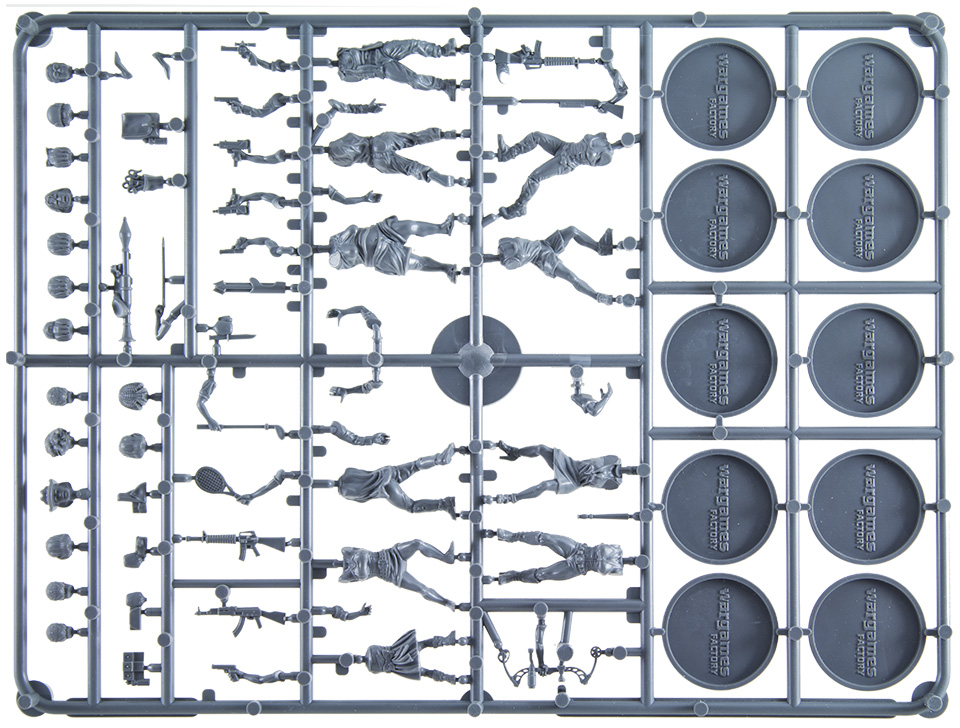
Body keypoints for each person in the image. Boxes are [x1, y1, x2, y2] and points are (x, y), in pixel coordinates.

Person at [487, 132, 629, 220]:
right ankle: (508, 154)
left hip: (565, 162)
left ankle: (519, 207)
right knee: (536, 136)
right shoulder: (602, 138)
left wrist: (626, 143)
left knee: (535, 178)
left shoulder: (604, 156)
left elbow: (597, 156)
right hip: (565, 147)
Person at [313, 443, 458, 518]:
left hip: (386, 488)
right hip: (387, 473)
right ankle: (439, 459)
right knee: (415, 465)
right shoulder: (348, 472)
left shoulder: (345, 493)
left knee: (411, 506)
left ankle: (444, 504)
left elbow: (364, 498)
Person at [485, 226, 622, 305]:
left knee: (572, 230)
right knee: (571, 277)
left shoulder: (503, 242)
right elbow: (498, 259)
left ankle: (600, 248)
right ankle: (598, 296)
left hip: (545, 244)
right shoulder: (514, 259)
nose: (502, 250)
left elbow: (498, 253)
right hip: (544, 259)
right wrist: (485, 258)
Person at [322, 214, 467, 281]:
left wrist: (335, 245)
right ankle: (446, 268)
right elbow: (344, 255)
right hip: (380, 255)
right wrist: (336, 248)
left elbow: (353, 228)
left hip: (379, 231)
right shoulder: (337, 263)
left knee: (411, 226)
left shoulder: (333, 239)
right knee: (417, 262)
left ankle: (443, 228)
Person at [484, 441, 639, 504]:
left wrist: (593, 473)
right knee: (541, 448)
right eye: (634, 468)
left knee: (544, 485)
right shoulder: (614, 459)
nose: (631, 470)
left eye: (634, 472)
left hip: (573, 482)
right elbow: (590, 463)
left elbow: (591, 480)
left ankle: (511, 498)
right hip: (572, 464)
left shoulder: (614, 483)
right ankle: (514, 453)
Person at [320, 128, 468, 187]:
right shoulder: (341, 140)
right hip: (379, 142)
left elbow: (352, 161)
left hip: (378, 161)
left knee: (410, 168)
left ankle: (430, 174)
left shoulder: (337, 160)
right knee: (413, 138)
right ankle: (448, 134)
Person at [338, 540, 459, 610]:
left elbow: (345, 548)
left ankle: (446, 558)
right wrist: (348, 569)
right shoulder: (348, 575)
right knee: (422, 589)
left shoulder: (348, 553)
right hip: (392, 574)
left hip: (391, 554)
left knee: (417, 543)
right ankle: (446, 602)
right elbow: (342, 580)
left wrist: (348, 561)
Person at [333, 38, 467, 100]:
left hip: (382, 50)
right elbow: (365, 76)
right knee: (413, 79)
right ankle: (444, 85)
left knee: (413, 44)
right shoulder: (346, 76)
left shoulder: (341, 52)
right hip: (382, 67)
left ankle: (444, 50)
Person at [489, 529, 638, 584]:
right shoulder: (617, 549)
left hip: (577, 568)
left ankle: (513, 576)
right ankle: (512, 536)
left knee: (542, 574)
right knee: (545, 538)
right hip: (578, 549)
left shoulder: (618, 570)